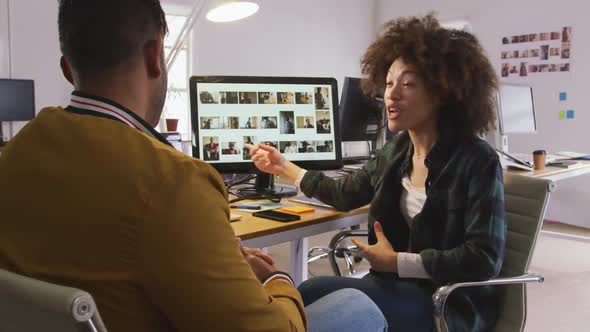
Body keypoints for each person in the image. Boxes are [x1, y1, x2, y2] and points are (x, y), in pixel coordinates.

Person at [0, 1, 388, 332]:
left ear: (68, 69)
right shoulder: (174, 181)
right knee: (356, 305)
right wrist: (275, 277)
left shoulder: (16, 154)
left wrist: (204, 247)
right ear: (155, 56)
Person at [247, 14, 505, 332]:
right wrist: (285, 167)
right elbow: (345, 194)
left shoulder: (477, 160)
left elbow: (483, 258)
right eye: (388, 83)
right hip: (395, 286)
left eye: (408, 84)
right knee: (305, 292)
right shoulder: (396, 151)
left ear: (442, 93)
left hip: (447, 301)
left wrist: (397, 262)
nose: (391, 94)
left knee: (313, 305)